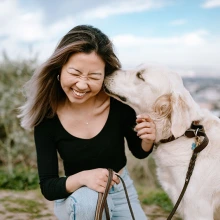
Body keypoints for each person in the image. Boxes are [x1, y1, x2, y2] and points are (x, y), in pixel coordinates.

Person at [19, 25, 156, 220]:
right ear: (59, 69)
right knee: (89, 202)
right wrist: (84, 178)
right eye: (75, 73)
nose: (82, 85)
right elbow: (48, 187)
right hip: (77, 197)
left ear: (105, 76)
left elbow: (139, 152)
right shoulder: (47, 118)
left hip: (120, 192)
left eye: (93, 77)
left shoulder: (119, 105)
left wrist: (147, 138)